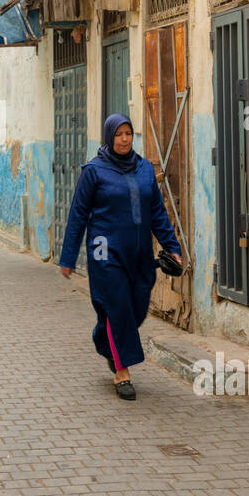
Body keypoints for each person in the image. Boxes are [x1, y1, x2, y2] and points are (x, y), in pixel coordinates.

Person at [58, 113, 182, 400]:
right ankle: (122, 371)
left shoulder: (144, 170)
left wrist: (172, 246)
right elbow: (78, 215)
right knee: (118, 306)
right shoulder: (94, 170)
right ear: (109, 137)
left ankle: (105, 338)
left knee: (136, 308)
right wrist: (68, 257)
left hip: (138, 253)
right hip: (104, 251)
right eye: (119, 134)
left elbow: (157, 213)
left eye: (128, 133)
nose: (124, 139)